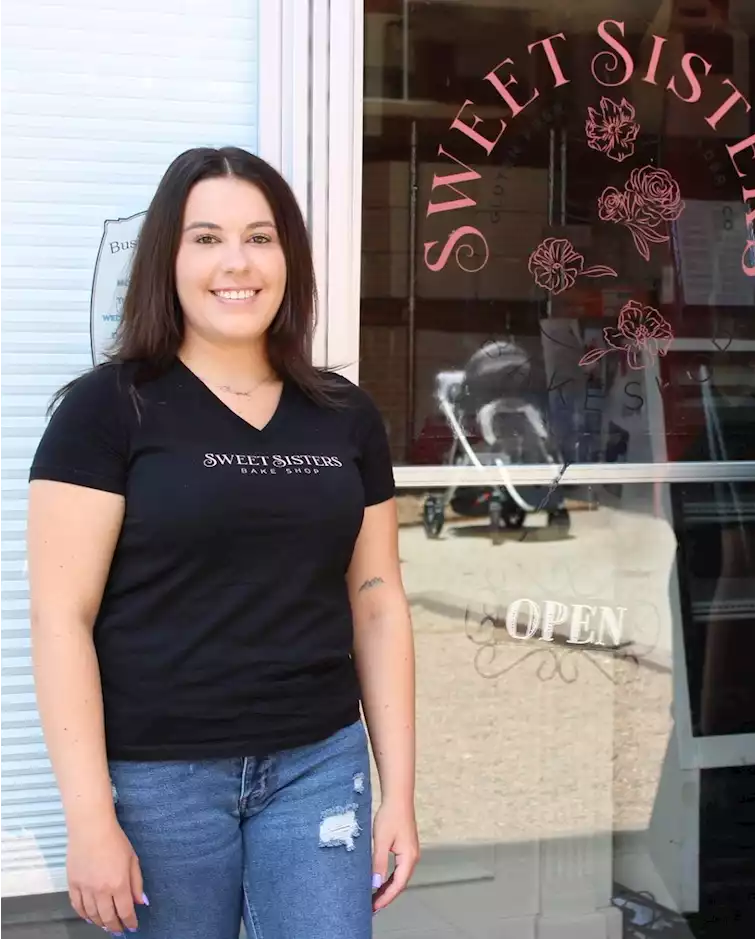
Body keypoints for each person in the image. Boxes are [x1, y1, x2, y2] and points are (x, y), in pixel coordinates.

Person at [25, 146, 420, 939]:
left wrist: (399, 792)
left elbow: (376, 600)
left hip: (319, 766)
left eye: (260, 237)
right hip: (160, 781)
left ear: (289, 258)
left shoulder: (345, 414)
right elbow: (60, 619)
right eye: (205, 238)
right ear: (167, 260)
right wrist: (90, 819)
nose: (235, 262)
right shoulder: (107, 411)